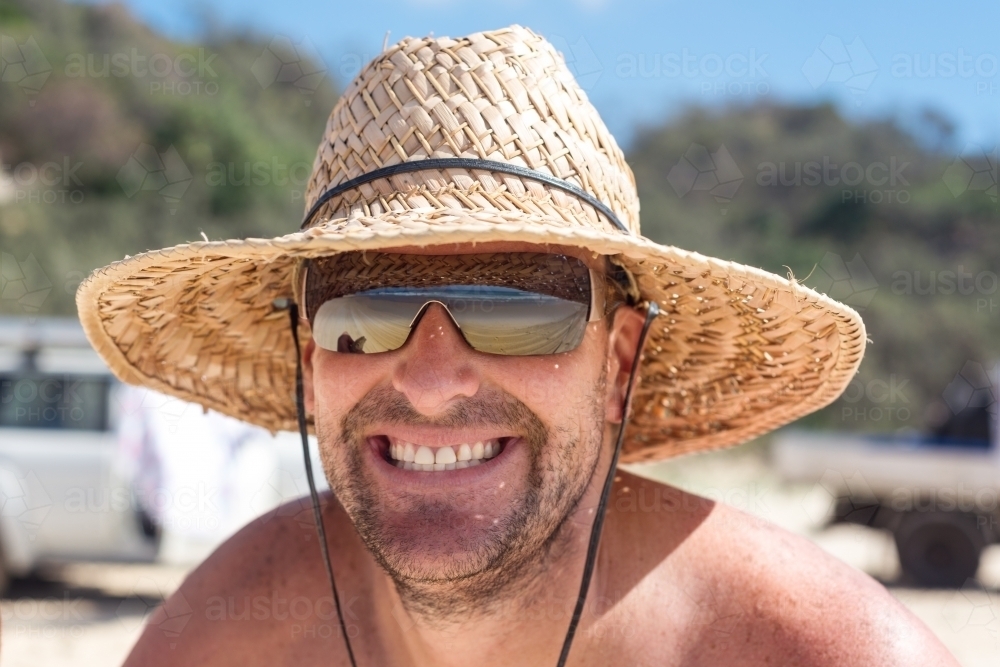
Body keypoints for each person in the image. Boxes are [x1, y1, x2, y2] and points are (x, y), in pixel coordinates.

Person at [78, 25, 959, 667]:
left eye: (515, 309)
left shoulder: (824, 655)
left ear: (616, 366)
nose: (427, 382)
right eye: (362, 315)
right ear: (313, 363)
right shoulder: (228, 640)